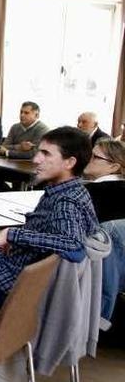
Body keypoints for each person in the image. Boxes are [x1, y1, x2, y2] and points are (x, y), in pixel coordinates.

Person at [0, 126, 99, 308]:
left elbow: (73, 244)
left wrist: (13, 235)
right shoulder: (75, 191)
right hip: (16, 276)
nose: (36, 159)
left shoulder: (65, 201)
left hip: (10, 286)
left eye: (46, 154)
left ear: (69, 163)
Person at [82, 139, 125, 327]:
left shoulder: (89, 192)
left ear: (114, 166)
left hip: (91, 262)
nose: (88, 159)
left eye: (95, 157)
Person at [0, 101, 50, 192]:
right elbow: (4, 146)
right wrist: (19, 147)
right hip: (12, 166)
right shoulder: (15, 127)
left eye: (26, 113)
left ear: (36, 115)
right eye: (21, 112)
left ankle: (15, 196)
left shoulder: (43, 130)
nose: (22, 115)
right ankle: (10, 195)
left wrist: (8, 152)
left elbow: (34, 154)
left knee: (22, 181)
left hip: (31, 170)